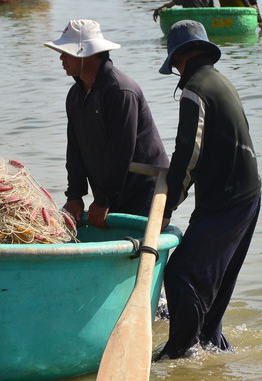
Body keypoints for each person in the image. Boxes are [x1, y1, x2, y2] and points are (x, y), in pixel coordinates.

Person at [154, 20, 261, 360]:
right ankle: (212, 346)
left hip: (226, 200)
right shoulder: (221, 82)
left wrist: (168, 204)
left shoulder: (195, 89)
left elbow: (189, 153)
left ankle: (180, 351)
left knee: (181, 272)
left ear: (179, 58)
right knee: (214, 284)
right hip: (246, 195)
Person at [44, 20, 169, 229]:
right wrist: (75, 195)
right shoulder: (75, 95)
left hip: (145, 194)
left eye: (67, 51)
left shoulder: (120, 91)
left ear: (88, 54)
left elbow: (121, 150)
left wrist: (102, 200)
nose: (61, 57)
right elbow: (74, 149)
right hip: (112, 192)